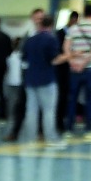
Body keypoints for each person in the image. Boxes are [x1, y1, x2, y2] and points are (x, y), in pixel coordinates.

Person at [21, 13, 67, 149]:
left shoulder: (30, 40)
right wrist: (68, 56)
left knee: (31, 110)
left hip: (30, 79)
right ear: (51, 25)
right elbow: (54, 59)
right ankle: (51, 138)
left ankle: (30, 139)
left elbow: (24, 59)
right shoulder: (51, 39)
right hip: (46, 79)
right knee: (48, 110)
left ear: (40, 24)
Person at [64, 4, 91, 137]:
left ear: (83, 13)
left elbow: (66, 47)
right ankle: (89, 130)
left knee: (72, 99)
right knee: (90, 99)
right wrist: (85, 63)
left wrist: (72, 62)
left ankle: (68, 130)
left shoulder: (73, 28)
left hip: (74, 69)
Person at [55, 11, 79, 134]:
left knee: (68, 97)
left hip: (72, 69)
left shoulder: (76, 34)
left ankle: (67, 120)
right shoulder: (60, 33)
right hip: (62, 70)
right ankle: (59, 122)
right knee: (61, 96)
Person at [2, 38, 26, 142]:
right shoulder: (22, 57)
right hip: (18, 84)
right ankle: (13, 130)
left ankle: (12, 130)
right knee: (16, 108)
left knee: (12, 108)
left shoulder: (10, 56)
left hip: (11, 83)